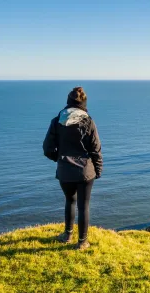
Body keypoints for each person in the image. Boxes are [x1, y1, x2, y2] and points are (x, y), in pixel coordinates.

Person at [43, 87, 103, 250]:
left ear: (68, 102)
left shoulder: (57, 121)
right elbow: (96, 149)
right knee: (84, 206)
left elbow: (47, 149)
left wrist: (60, 159)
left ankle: (67, 235)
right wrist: (98, 170)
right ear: (83, 103)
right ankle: (82, 242)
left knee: (70, 201)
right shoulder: (88, 121)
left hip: (65, 170)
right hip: (85, 171)